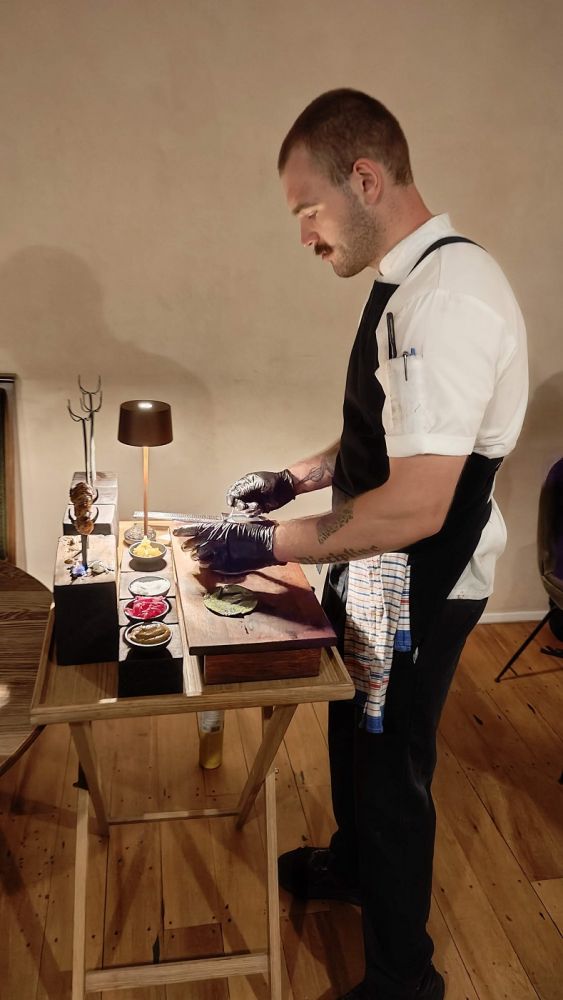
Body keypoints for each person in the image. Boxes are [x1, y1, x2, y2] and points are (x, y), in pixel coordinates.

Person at [175, 89, 528, 999]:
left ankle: (404, 978)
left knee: (390, 766)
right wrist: (297, 476)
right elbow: (391, 430)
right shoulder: (408, 279)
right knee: (351, 725)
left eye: (308, 210)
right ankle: (353, 865)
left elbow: (413, 504)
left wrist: (260, 543)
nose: (304, 235)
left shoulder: (447, 302)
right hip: (375, 570)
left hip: (422, 576)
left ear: (364, 179)